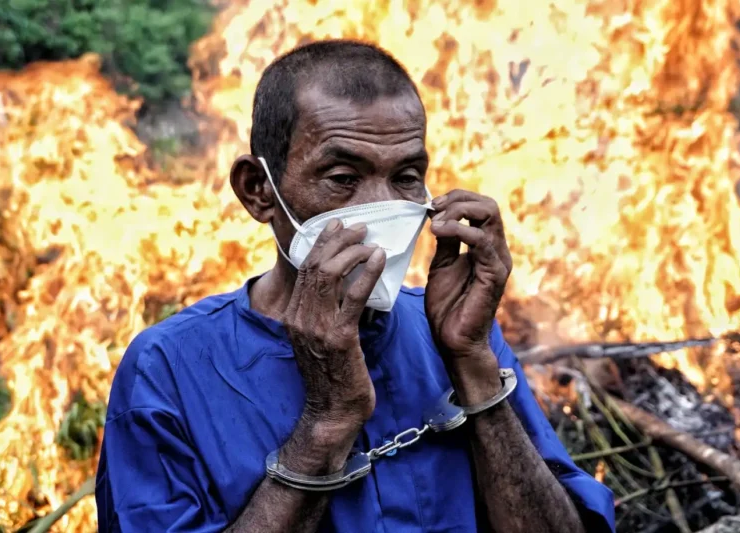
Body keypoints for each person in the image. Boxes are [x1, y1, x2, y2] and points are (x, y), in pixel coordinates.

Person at [95, 39, 615, 532]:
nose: (379, 209)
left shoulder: (458, 337)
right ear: (258, 192)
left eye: (407, 176)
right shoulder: (168, 372)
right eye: (343, 178)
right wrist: (327, 421)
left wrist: (473, 368)